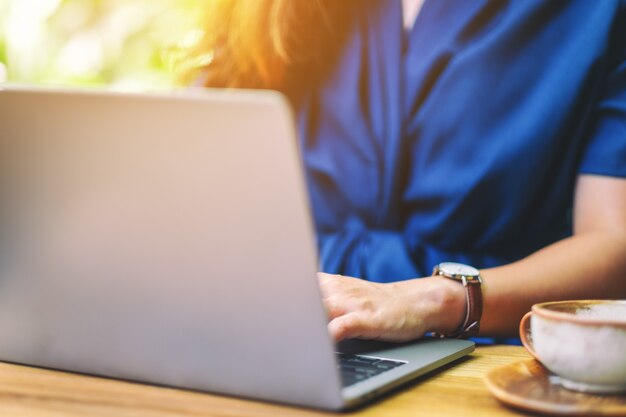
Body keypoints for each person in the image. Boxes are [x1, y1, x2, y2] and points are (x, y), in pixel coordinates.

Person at [185, 0, 626, 342]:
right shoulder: (263, 12)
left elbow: (613, 246)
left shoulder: (597, 15)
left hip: (485, 357)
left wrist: (441, 299)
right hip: (277, 335)